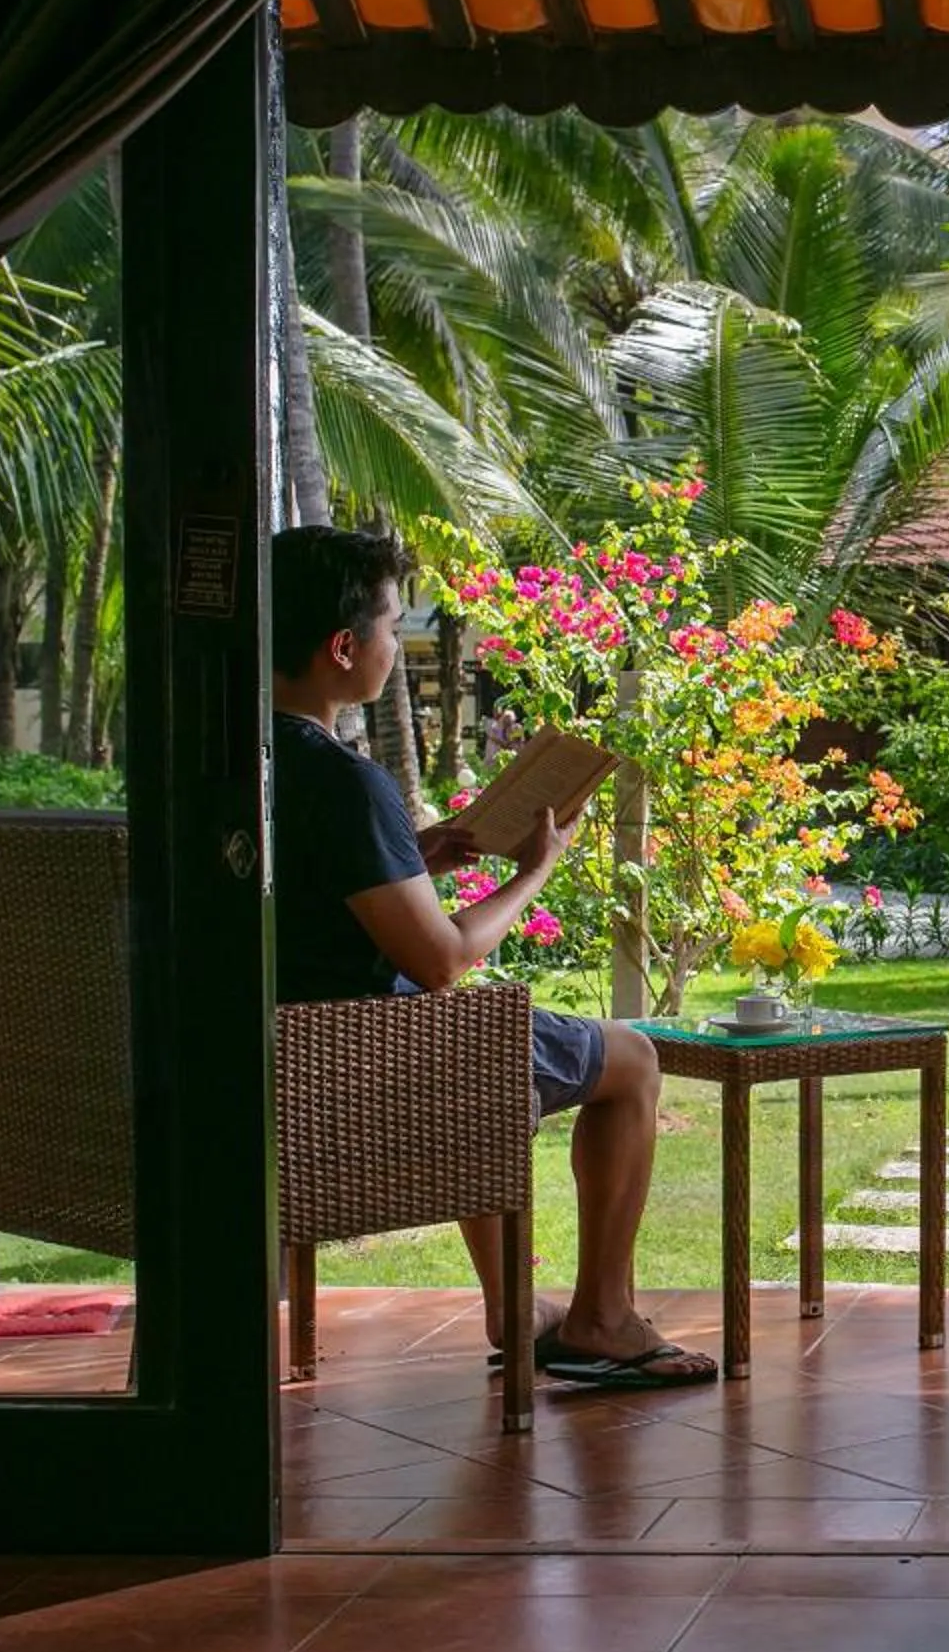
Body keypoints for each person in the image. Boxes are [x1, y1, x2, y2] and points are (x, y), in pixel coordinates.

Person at [268, 524, 715, 1388]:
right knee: (629, 1058)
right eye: (395, 626)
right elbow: (440, 961)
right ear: (343, 645)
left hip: (281, 1065)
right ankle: (603, 1317)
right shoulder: (341, 781)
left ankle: (517, 1307)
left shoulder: (240, 763)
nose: (397, 644)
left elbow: (313, 901)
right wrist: (535, 873)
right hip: (372, 1070)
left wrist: (416, 855)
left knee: (478, 1044)